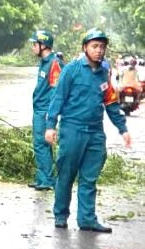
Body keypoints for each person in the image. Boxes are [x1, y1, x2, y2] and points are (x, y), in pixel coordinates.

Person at [45, 29, 131, 233]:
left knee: (90, 177)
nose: (99, 51)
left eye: (102, 47)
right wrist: (50, 126)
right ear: (85, 47)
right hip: (72, 129)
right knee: (66, 174)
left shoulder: (104, 72)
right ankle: (60, 215)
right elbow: (57, 98)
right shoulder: (71, 70)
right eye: (94, 46)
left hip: (95, 132)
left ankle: (86, 219)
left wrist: (122, 128)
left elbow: (110, 102)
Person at [28, 30, 63, 191]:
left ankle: (47, 179)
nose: (32, 47)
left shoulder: (54, 64)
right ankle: (42, 176)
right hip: (39, 108)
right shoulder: (44, 62)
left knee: (42, 144)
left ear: (43, 45)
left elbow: (56, 90)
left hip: (45, 110)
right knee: (40, 144)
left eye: (34, 44)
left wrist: (51, 113)